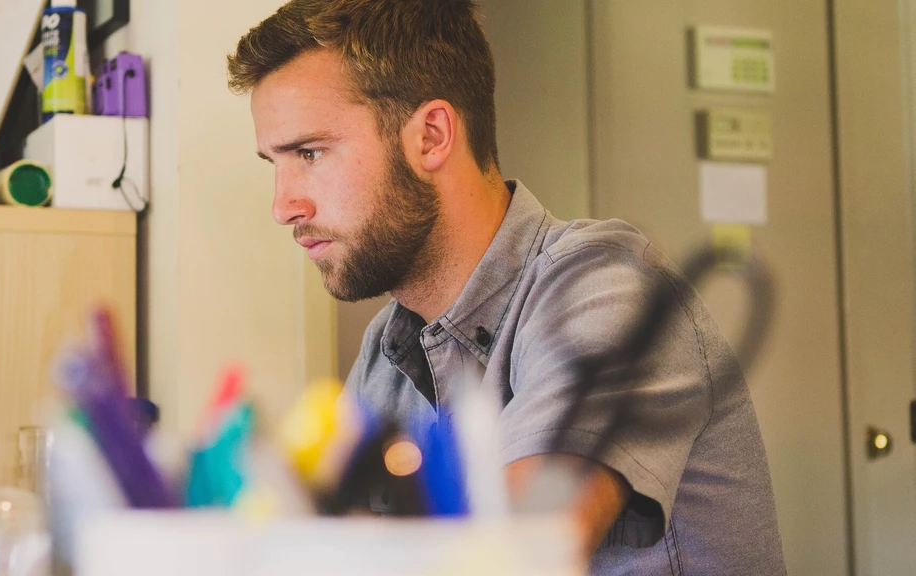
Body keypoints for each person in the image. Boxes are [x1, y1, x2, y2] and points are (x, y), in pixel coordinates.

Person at [229, 0, 786, 573]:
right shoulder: (385, 351)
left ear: (431, 136)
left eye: (310, 153)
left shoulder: (608, 288)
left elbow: (521, 553)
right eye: (274, 162)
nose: (283, 206)